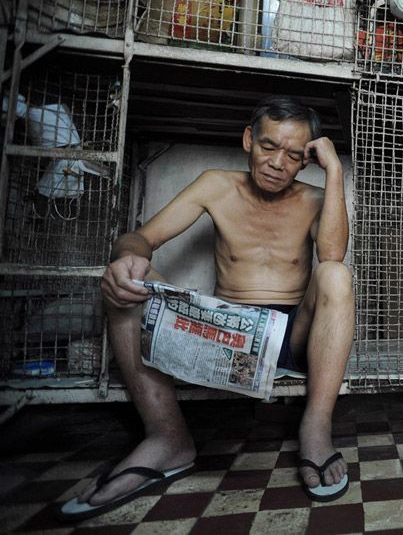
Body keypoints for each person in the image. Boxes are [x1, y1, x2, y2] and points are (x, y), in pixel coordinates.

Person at [58, 96, 355, 520]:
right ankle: (167, 439)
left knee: (336, 275)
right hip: (226, 331)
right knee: (127, 282)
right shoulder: (216, 184)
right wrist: (127, 258)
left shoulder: (314, 197)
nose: (277, 163)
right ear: (249, 139)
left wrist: (335, 169)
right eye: (269, 147)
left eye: (293, 155)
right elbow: (140, 239)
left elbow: (332, 253)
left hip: (293, 337)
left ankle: (316, 427)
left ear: (305, 160)